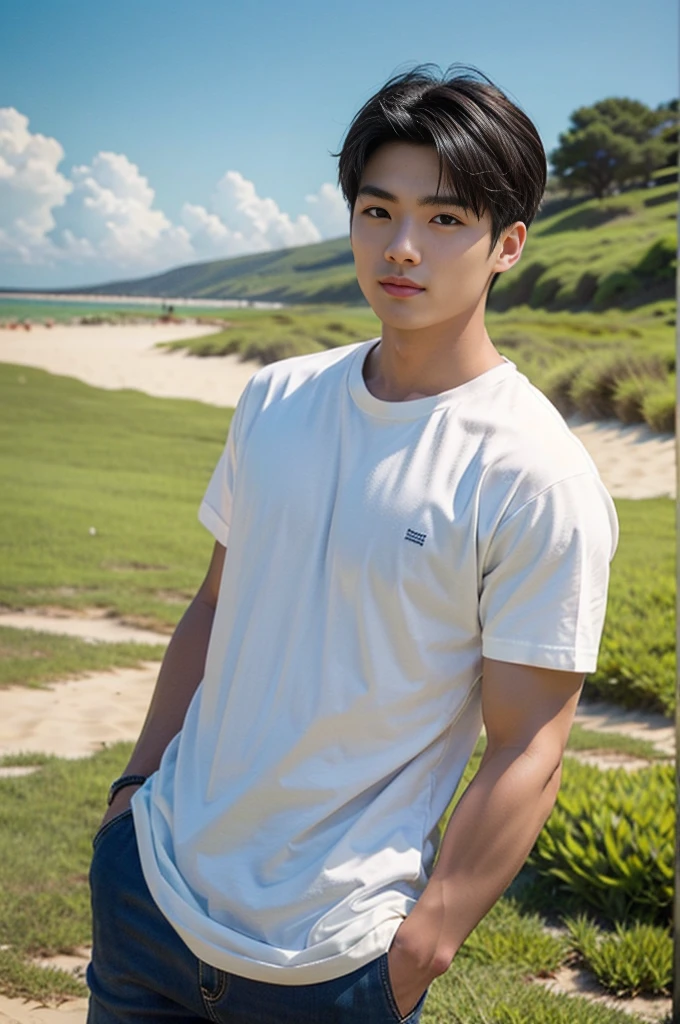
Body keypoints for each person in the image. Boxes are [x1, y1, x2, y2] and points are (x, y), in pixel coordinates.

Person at [86, 62, 619, 1024]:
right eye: (378, 211)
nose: (402, 247)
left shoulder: (535, 474)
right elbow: (215, 604)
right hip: (152, 899)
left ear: (509, 243)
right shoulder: (275, 398)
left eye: (445, 219)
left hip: (334, 960)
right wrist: (133, 795)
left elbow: (530, 743)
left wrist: (422, 945)